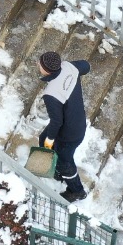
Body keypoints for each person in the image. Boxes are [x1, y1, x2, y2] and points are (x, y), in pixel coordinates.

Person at [38, 50, 91, 203]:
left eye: (40, 64)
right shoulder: (69, 67)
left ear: (46, 70)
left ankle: (77, 190)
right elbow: (86, 66)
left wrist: (50, 141)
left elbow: (56, 122)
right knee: (43, 139)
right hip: (76, 120)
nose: (37, 64)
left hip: (70, 133)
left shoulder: (51, 94)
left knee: (65, 161)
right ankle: (54, 168)